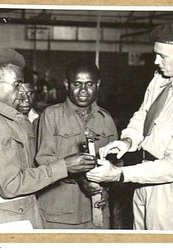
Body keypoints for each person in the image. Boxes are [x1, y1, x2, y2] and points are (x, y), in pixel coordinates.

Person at [0, 47, 96, 229]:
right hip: (2, 219)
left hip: (16, 212)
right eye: (17, 84)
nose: (22, 91)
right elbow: (11, 184)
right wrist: (64, 166)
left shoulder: (7, 119)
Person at [87, 21, 173, 230]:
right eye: (156, 54)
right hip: (143, 176)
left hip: (170, 187)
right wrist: (127, 141)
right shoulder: (159, 79)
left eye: (163, 56)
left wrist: (119, 174)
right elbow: (142, 115)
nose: (156, 61)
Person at [36, 60, 118, 229]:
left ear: (98, 84)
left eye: (89, 84)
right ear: (67, 84)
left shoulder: (106, 119)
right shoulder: (51, 116)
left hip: (97, 212)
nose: (83, 90)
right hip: (58, 214)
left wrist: (106, 187)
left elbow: (116, 163)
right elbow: (44, 160)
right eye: (77, 84)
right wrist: (80, 179)